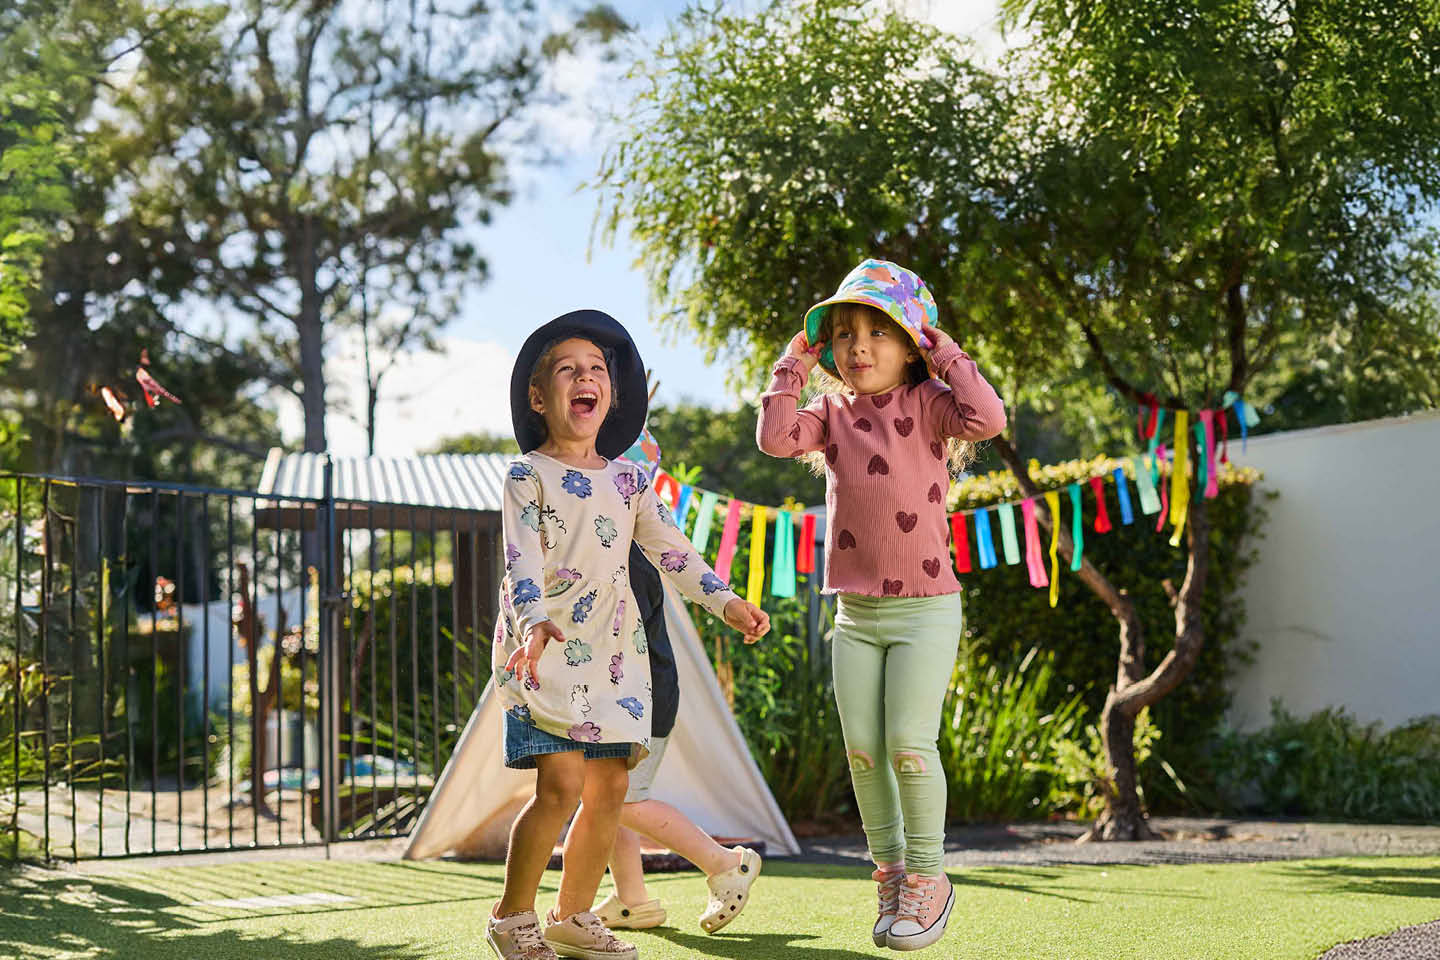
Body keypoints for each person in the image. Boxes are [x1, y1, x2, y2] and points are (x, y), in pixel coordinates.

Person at [486, 309, 770, 960]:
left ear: (611, 395)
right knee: (560, 788)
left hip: (616, 659)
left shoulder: (629, 479)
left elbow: (672, 550)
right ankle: (511, 917)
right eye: (567, 370)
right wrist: (532, 621)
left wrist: (726, 602)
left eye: (596, 369)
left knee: (611, 790)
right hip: (544, 653)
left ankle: (572, 916)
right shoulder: (527, 475)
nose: (584, 377)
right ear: (539, 398)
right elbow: (519, 560)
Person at [755, 261, 1006, 952]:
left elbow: (987, 417)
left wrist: (945, 352)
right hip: (855, 617)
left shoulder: (931, 402)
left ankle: (929, 877)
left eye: (878, 332)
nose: (858, 347)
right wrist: (794, 361)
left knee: (909, 748)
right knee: (864, 753)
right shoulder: (831, 413)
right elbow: (774, 438)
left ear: (910, 346)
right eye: (843, 334)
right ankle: (892, 875)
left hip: (926, 611)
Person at [591, 433, 762, 936]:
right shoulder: (618, 550)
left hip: (638, 694)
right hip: (623, 692)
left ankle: (724, 864)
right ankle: (631, 899)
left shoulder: (628, 556)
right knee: (607, 797)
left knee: (619, 799)